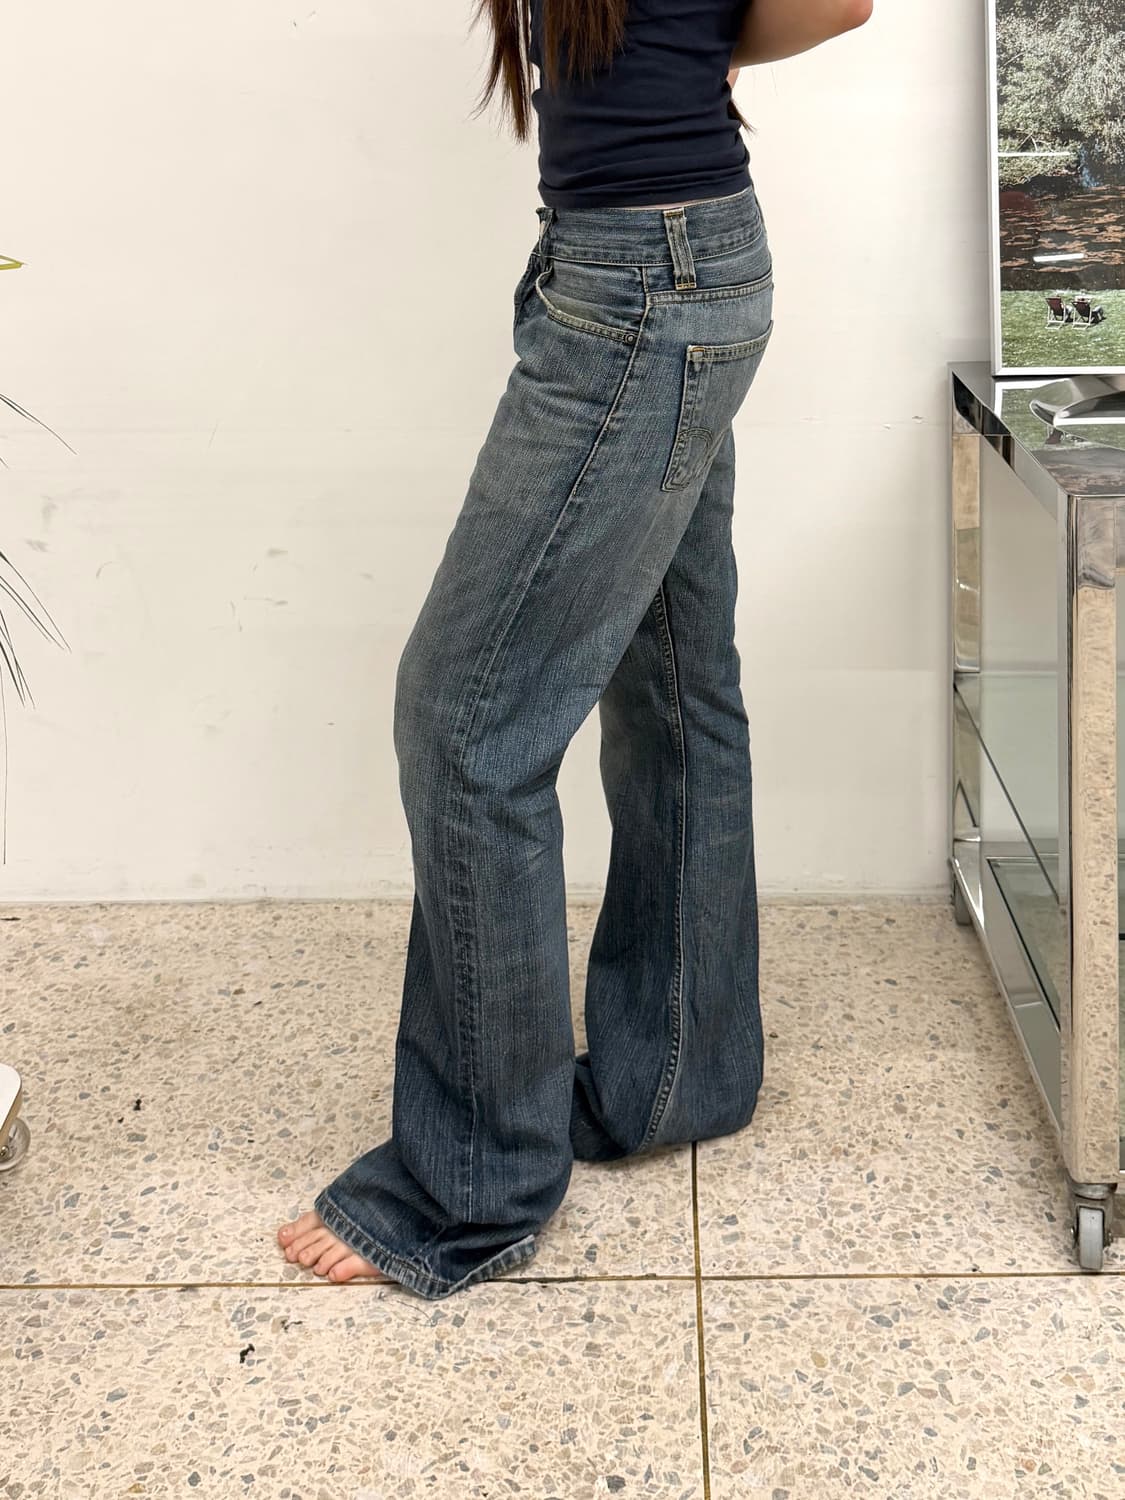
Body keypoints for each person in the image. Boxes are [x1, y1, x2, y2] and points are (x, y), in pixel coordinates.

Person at [278, 0, 873, 1300]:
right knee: (674, 683)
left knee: (466, 727)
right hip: (648, 264)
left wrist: (688, 37)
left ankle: (469, 1184)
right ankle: (679, 1077)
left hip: (644, 286)